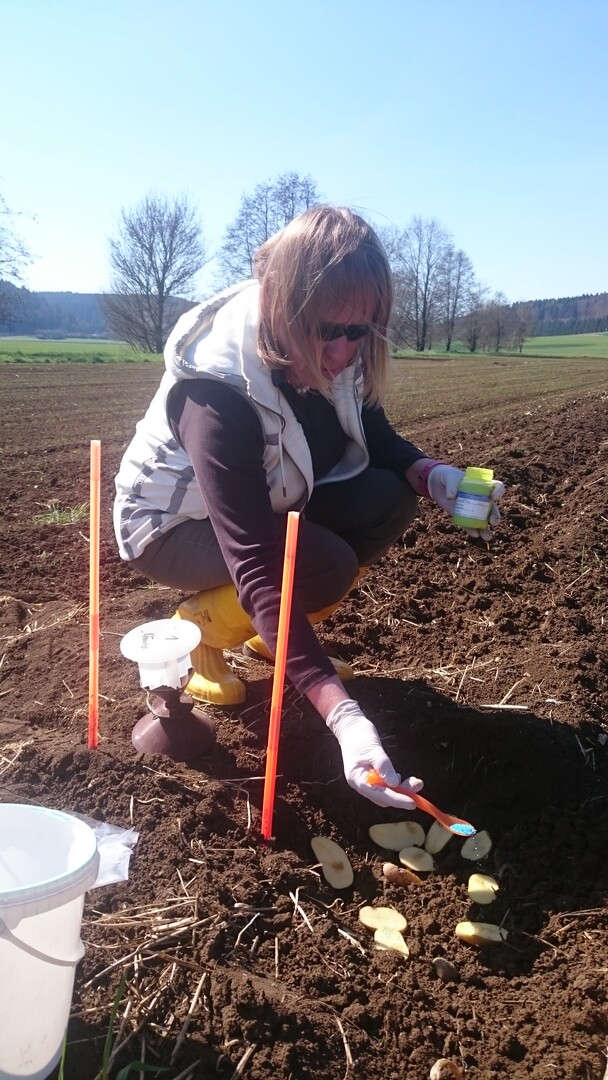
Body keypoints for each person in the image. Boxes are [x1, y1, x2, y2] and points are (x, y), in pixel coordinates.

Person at [114, 205, 504, 813]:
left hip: (275, 496)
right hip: (173, 527)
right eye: (332, 331)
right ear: (284, 305)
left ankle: (278, 638)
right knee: (318, 566)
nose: (346, 349)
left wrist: (433, 474)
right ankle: (202, 632)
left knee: (389, 495)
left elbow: (371, 428)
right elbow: (257, 563)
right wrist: (344, 719)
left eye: (362, 332)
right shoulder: (218, 394)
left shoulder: (327, 337)